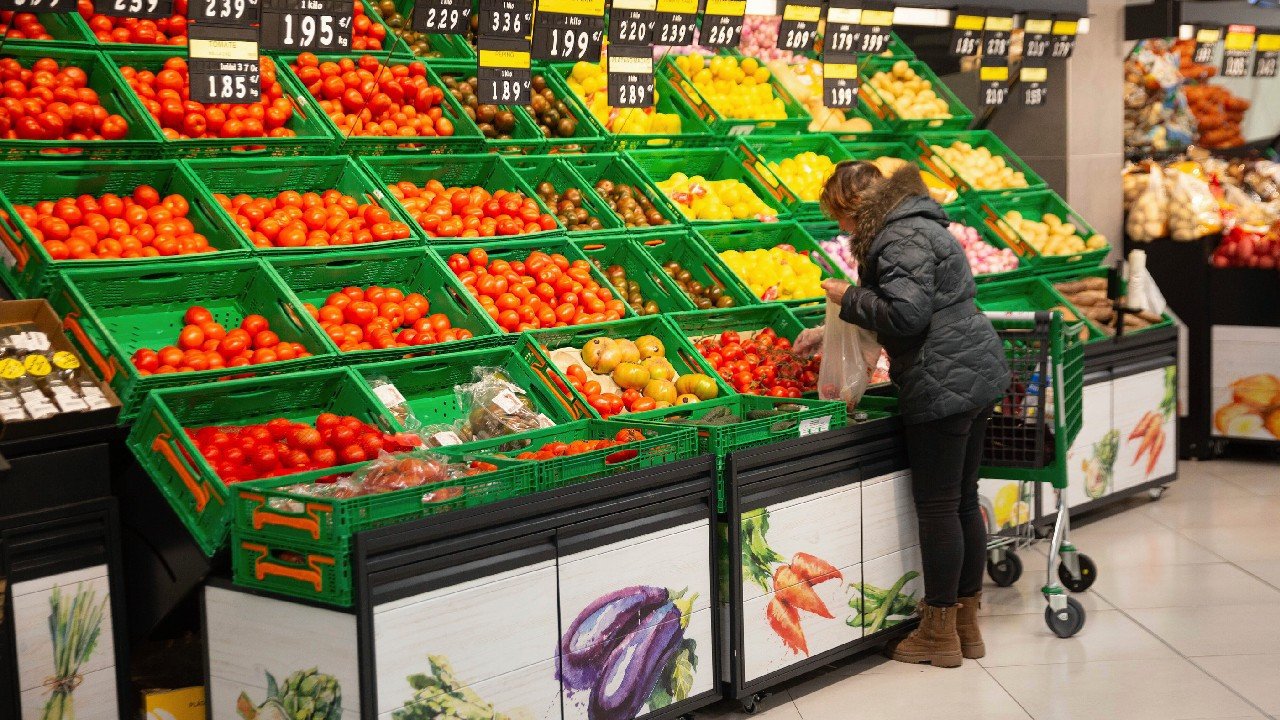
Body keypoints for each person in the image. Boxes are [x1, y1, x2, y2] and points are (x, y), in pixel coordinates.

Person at [794, 161, 1010, 668]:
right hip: (973, 369)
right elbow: (917, 304)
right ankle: (965, 624)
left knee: (939, 507)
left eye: (840, 219)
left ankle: (938, 632)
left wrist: (847, 296)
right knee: (962, 500)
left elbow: (906, 316)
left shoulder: (897, 239)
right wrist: (833, 329)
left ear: (853, 206)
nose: (842, 231)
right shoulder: (918, 223)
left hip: (943, 380)